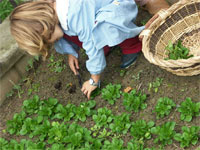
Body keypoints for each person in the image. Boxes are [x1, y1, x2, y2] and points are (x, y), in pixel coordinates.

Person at [9, 0, 169, 99]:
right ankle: (110, 42)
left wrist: (94, 79)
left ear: (46, 27)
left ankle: (132, 45)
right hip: (98, 9)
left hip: (120, 4)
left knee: (101, 30)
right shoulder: (56, 11)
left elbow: (92, 45)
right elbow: (61, 36)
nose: (51, 44)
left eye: (48, 41)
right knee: (77, 33)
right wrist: (71, 53)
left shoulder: (75, 15)